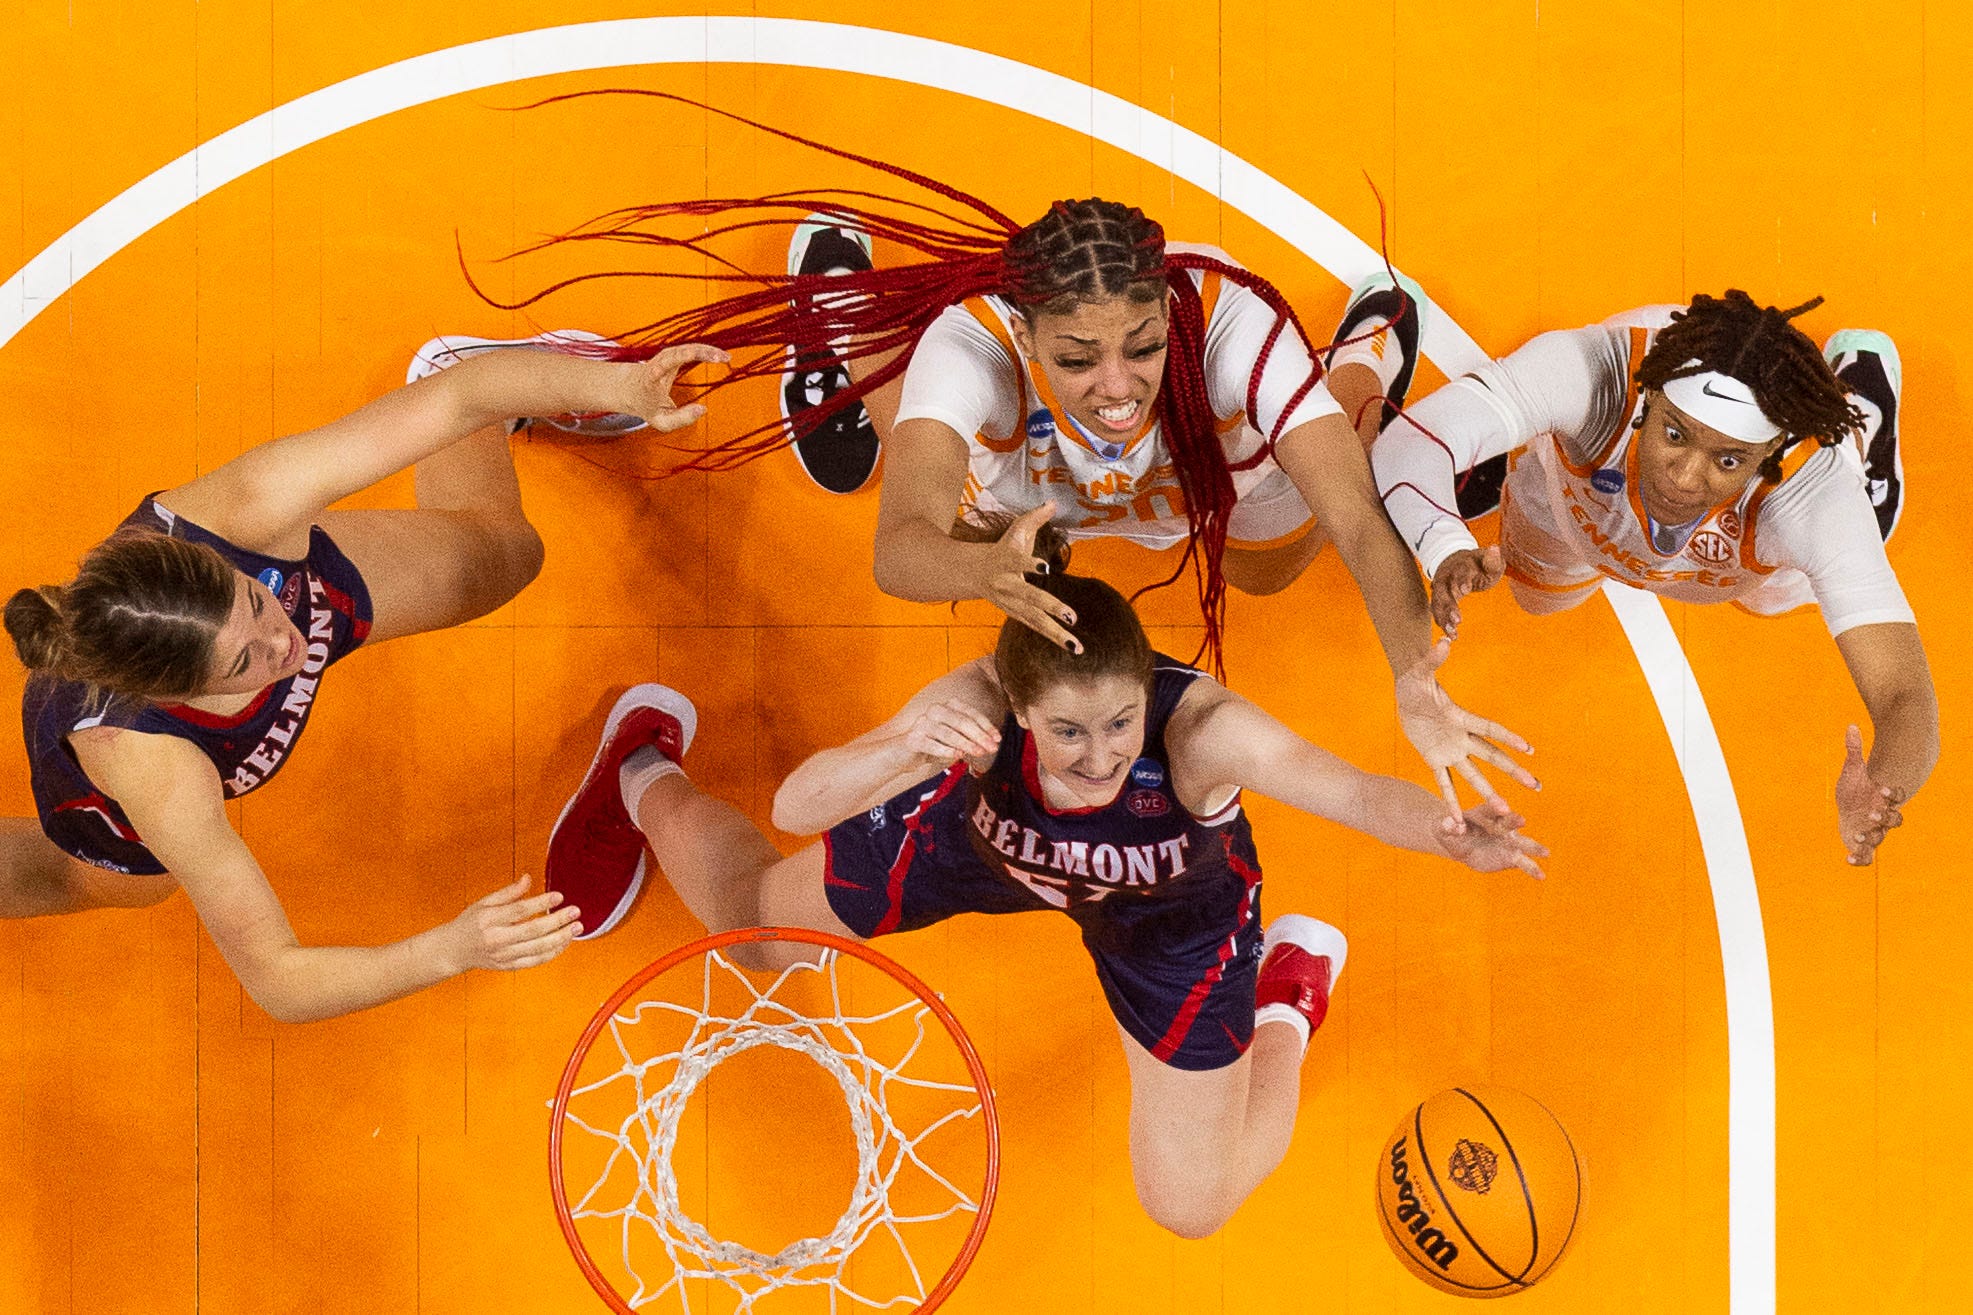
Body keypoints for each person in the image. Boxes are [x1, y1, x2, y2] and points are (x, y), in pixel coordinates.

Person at [541, 532, 1545, 1237]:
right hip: (983, 847)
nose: (1101, 753)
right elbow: (801, 805)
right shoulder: (977, 702)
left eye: (1116, 722)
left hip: (1169, 910)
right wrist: (900, 748)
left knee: (1187, 1206)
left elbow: (1352, 792)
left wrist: (1448, 833)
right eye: (1067, 730)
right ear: (1018, 706)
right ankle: (637, 770)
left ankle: (1283, 991)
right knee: (759, 931)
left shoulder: (1202, 736)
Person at [1, 330, 723, 1021]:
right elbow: (279, 978)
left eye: (255, 602)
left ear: (220, 562)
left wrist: (617, 382)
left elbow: (458, 399)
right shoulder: (156, 772)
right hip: (130, 786)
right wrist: (448, 950)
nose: (281, 643)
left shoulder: (252, 508)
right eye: (245, 663)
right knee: (111, 884)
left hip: (311, 581)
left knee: (510, 556)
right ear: (179, 691)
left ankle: (477, 364)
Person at [1371, 290, 1937, 864]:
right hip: (1572, 509)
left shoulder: (1810, 496)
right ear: (1649, 398)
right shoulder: (1595, 371)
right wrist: (1443, 542)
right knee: (1538, 601)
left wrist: (1882, 788)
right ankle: (1502, 445)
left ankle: (1865, 412)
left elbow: (1904, 693)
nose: (1685, 479)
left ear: (1771, 450)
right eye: (1673, 434)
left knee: (1779, 599)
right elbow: (1408, 444)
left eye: (1728, 460)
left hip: (1744, 560)